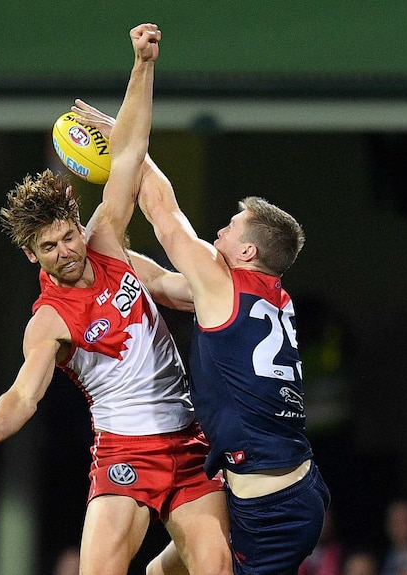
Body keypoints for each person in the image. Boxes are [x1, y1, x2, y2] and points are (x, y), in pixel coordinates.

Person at [0, 23, 232, 575]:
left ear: (78, 227)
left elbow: (129, 153)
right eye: (49, 247)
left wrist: (142, 65)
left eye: (67, 236)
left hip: (187, 440)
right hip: (124, 455)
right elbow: (24, 394)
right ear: (33, 257)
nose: (65, 251)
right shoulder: (49, 321)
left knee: (218, 566)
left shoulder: (106, 241)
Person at [73, 99, 330, 574]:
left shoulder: (222, 285)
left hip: (269, 510)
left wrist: (127, 141)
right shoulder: (271, 297)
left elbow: (162, 213)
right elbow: (159, 284)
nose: (218, 233)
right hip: (288, 487)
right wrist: (93, 261)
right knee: (159, 571)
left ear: (248, 250)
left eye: (230, 229)